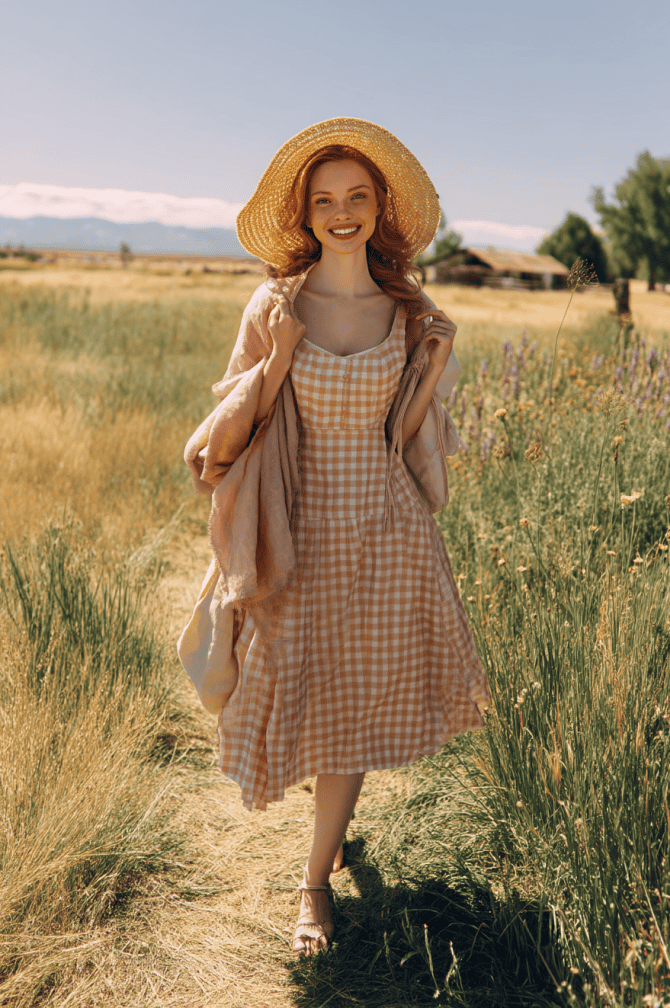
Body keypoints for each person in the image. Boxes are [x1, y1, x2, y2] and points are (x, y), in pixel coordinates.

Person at [180, 118, 489, 956]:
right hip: (299, 531)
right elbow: (226, 436)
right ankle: (331, 832)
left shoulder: (406, 306)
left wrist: (427, 368)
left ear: (378, 205)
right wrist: (277, 357)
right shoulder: (274, 303)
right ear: (305, 214)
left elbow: (403, 436)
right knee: (298, 689)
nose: (342, 212)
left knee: (348, 707)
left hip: (387, 532)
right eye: (325, 200)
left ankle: (313, 884)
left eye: (356, 197)